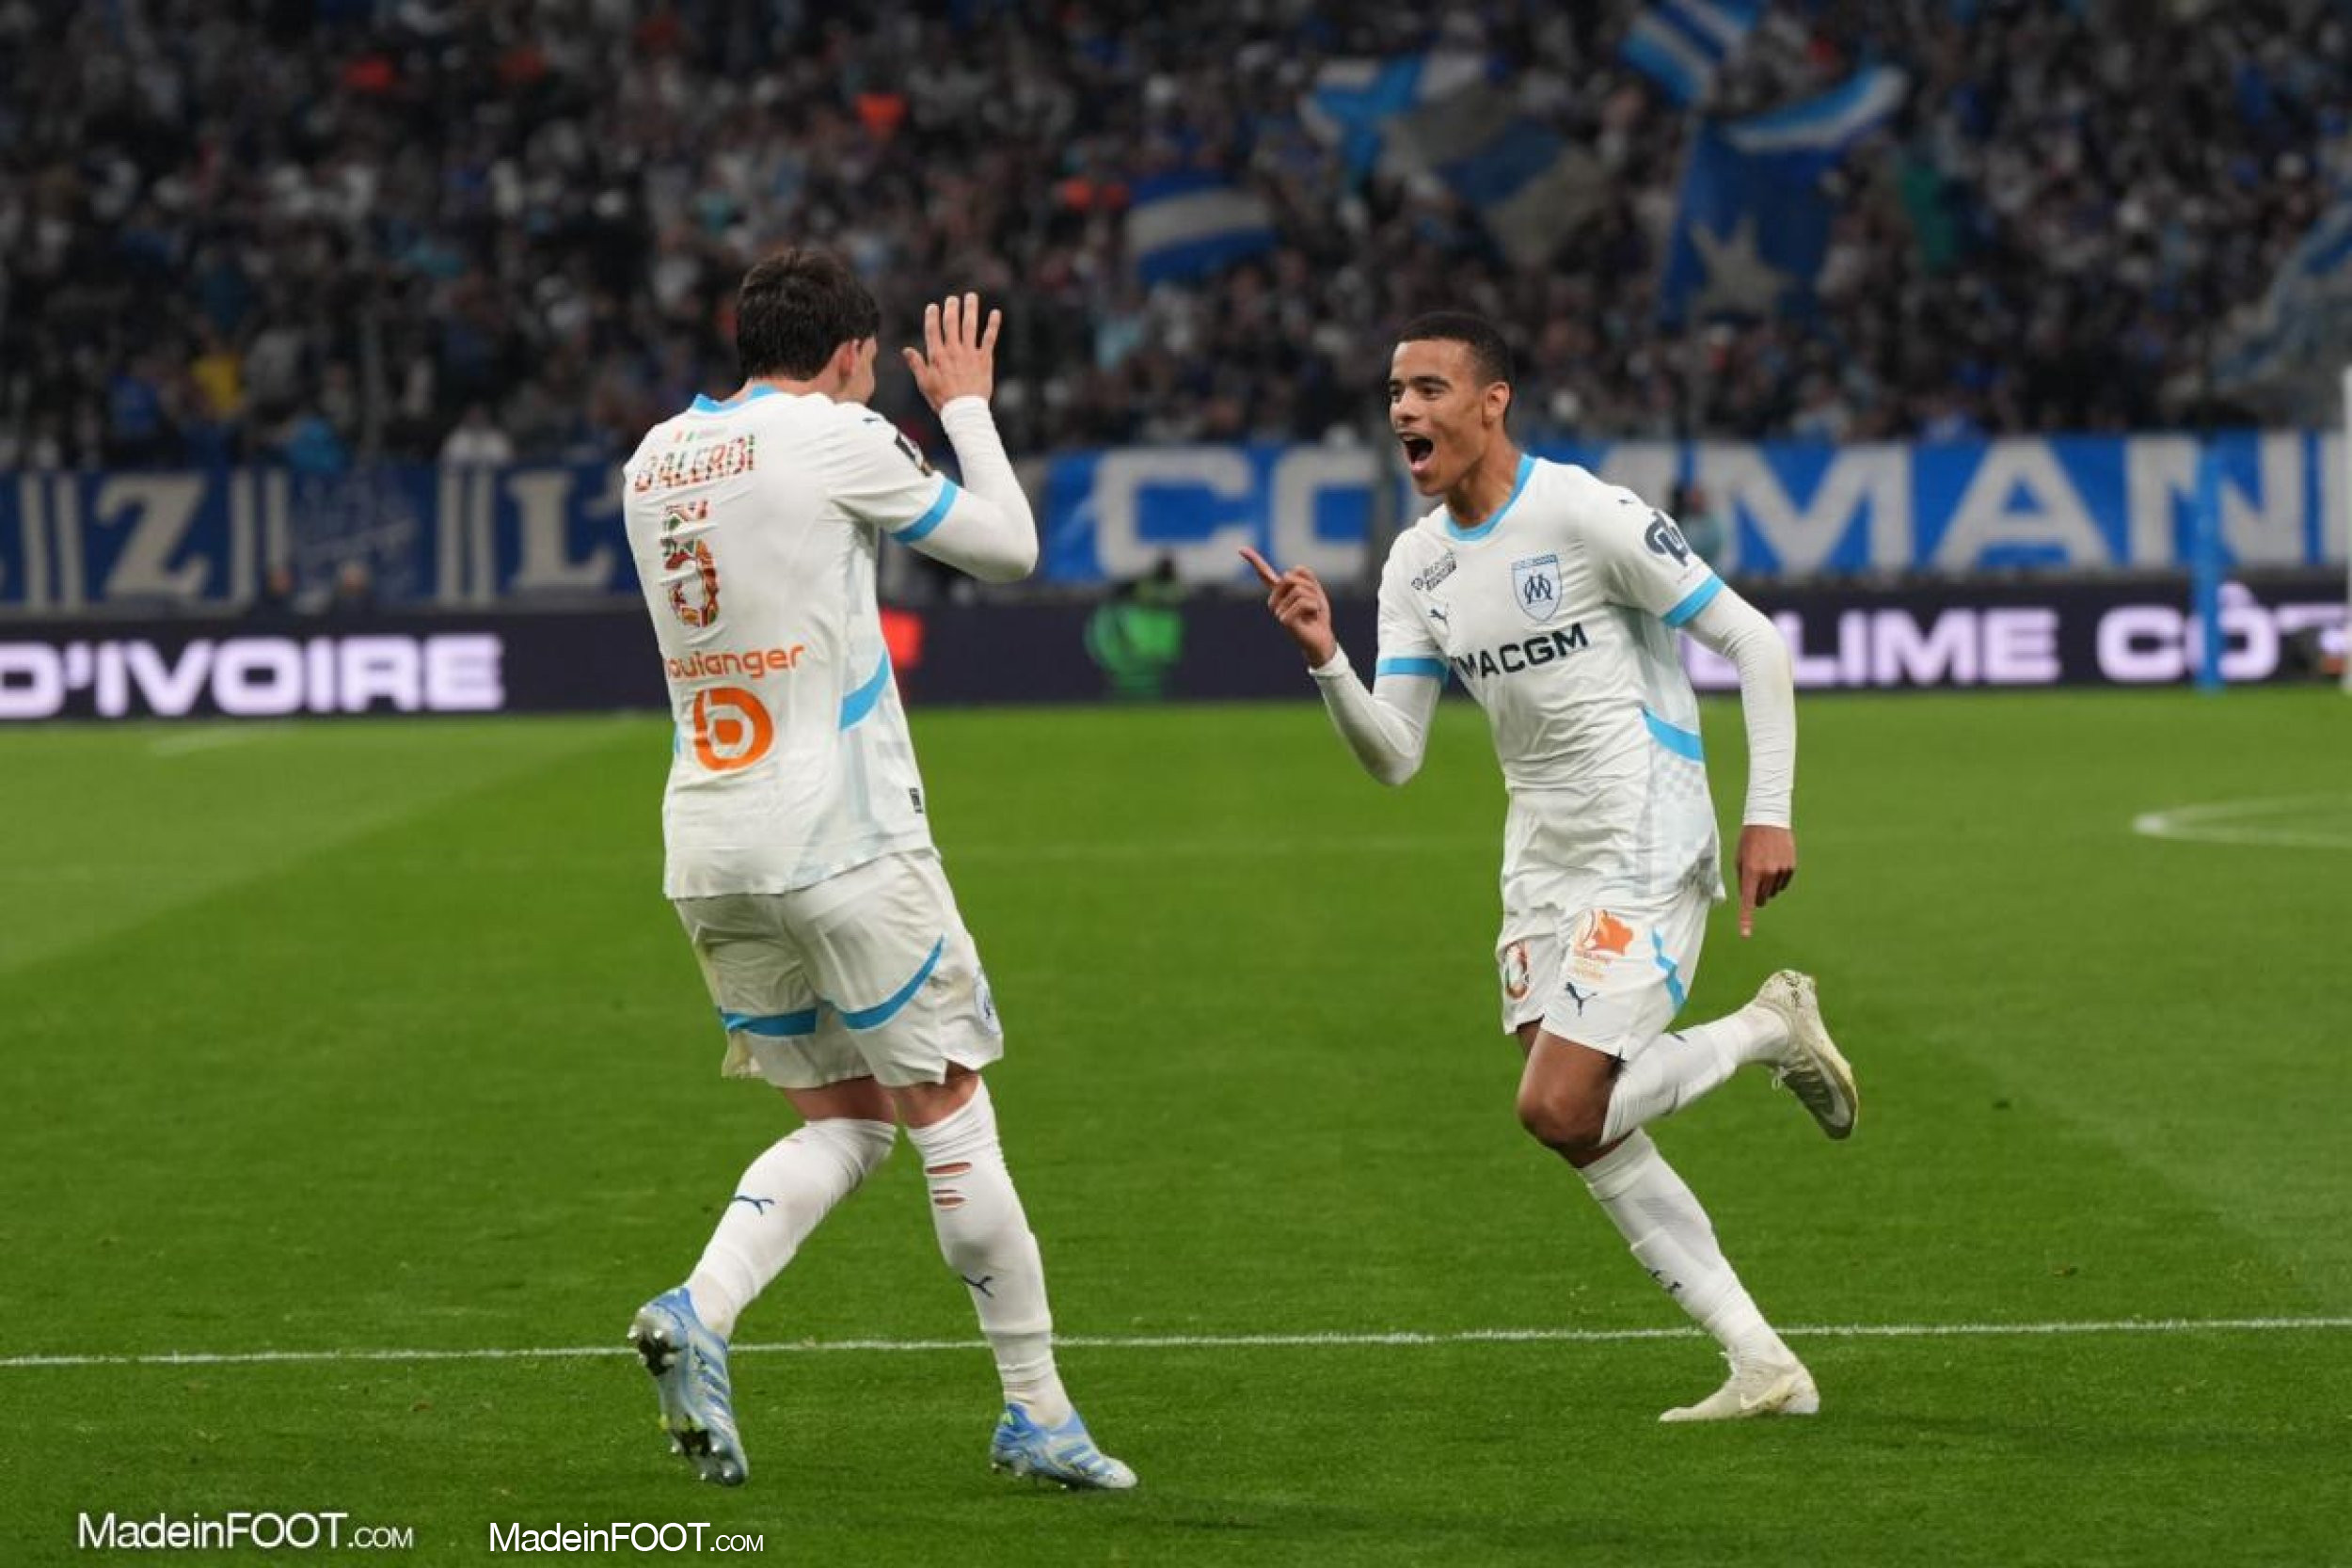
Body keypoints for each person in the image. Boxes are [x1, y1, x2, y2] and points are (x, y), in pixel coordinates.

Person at [1240, 312, 1859, 1421]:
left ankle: (1767, 1026)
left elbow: (1753, 640)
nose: (1403, 410)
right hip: (1542, 856)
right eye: (1394, 392)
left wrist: (1767, 813)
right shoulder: (1417, 563)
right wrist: (1327, 659)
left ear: (1493, 402)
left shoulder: (1585, 513)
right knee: (1582, 1123)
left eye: (1429, 389)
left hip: (1645, 830)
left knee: (1558, 1102)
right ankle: (1761, 1360)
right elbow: (1396, 754)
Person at [617, 248, 1135, 1490]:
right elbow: (1007, 547)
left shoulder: (653, 456)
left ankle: (699, 1306)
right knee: (950, 1109)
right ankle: (1037, 1410)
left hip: (709, 842)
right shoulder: (836, 434)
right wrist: (965, 406)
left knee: (845, 1121)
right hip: (842, 837)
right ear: (852, 355)